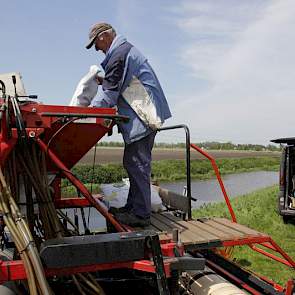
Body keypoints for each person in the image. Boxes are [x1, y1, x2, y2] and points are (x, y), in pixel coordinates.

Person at [86, 22, 171, 227]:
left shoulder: (119, 54)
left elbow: (109, 94)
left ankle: (141, 214)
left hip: (143, 115)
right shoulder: (122, 52)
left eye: (96, 43)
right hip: (142, 113)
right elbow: (118, 82)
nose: (97, 49)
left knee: (137, 164)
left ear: (104, 36)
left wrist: (85, 112)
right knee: (133, 163)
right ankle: (134, 206)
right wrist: (102, 82)